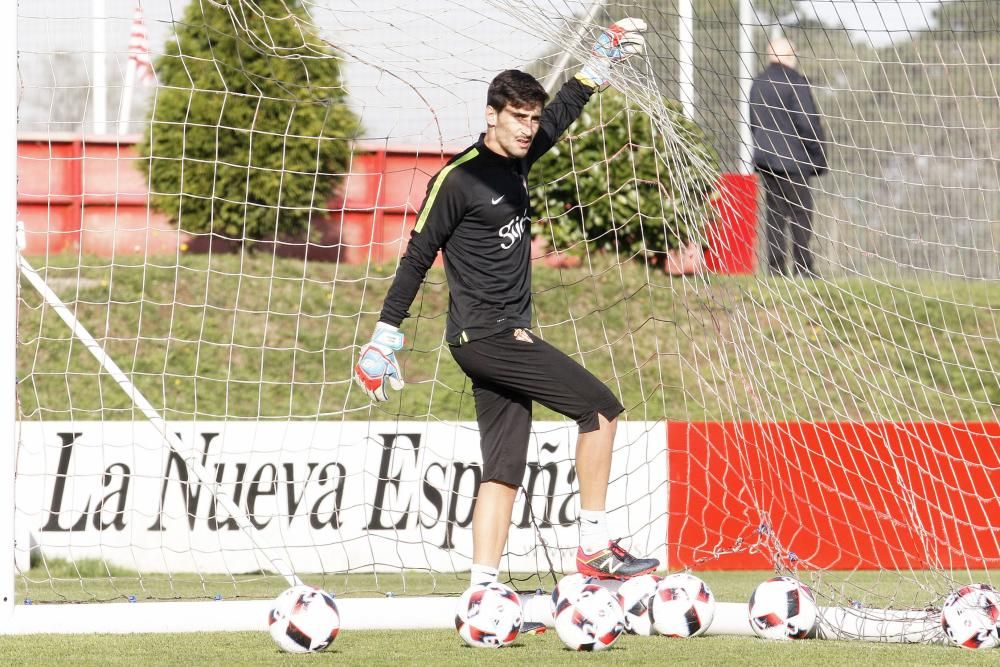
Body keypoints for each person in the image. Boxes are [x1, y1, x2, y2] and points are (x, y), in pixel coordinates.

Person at [353, 19, 660, 586]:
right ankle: (594, 549)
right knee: (600, 413)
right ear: (491, 115)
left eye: (533, 119)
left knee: (503, 469)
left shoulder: (519, 158)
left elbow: (563, 112)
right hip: (490, 335)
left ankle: (483, 589)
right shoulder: (458, 179)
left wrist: (597, 65)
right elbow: (417, 256)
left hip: (488, 339)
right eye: (518, 118)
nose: (528, 129)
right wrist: (385, 335)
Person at [749, 37, 828, 277]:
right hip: (794, 162)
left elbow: (754, 122)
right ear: (790, 56)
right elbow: (807, 123)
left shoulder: (758, 83)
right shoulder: (796, 82)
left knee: (774, 215)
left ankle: (775, 269)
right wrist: (818, 156)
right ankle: (803, 268)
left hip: (766, 160)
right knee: (800, 214)